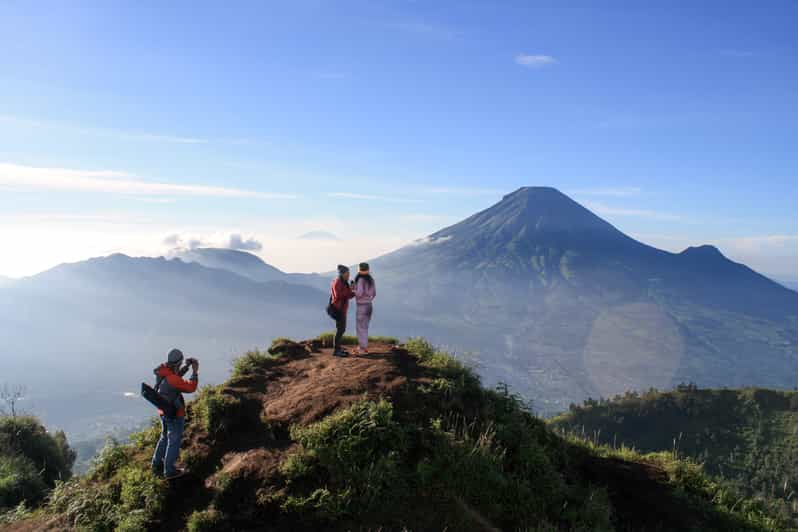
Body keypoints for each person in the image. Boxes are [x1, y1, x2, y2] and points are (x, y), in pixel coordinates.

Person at [151, 348, 199, 479]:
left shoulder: (163, 370)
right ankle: (169, 471)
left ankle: (156, 464)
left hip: (163, 410)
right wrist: (195, 371)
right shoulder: (172, 378)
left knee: (164, 437)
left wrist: (186, 367)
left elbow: (174, 378)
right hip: (174, 413)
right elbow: (191, 387)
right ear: (178, 362)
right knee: (174, 440)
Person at [330, 264, 356, 357]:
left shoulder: (344, 282)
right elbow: (338, 295)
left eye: (349, 273)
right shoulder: (337, 282)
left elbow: (348, 296)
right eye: (347, 273)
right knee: (340, 329)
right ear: (342, 273)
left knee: (341, 329)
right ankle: (336, 350)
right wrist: (349, 291)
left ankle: (338, 348)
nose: (349, 275)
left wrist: (353, 291)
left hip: (342, 309)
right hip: (338, 309)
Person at [354, 262, 376, 354]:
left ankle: (363, 349)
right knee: (365, 327)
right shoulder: (371, 280)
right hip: (369, 305)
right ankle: (363, 347)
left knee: (360, 327)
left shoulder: (360, 280)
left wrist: (352, 289)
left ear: (359, 270)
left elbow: (359, 293)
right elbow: (374, 294)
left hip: (362, 306)